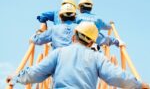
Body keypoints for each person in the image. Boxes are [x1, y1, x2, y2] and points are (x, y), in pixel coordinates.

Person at [7, 22, 149, 89]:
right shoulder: (97, 57)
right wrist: (139, 84)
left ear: (74, 36)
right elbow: (115, 76)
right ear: (91, 42)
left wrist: (16, 77)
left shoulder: (58, 53)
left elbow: (36, 72)